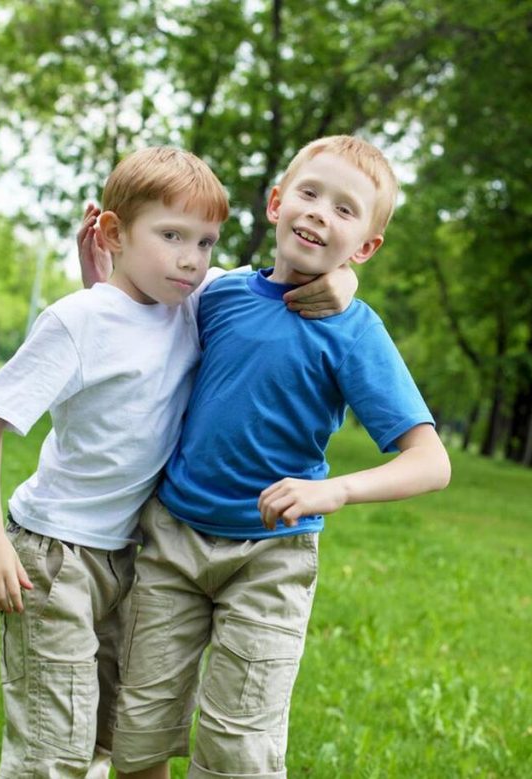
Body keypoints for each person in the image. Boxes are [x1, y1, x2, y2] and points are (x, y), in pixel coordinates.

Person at [0, 146, 356, 779]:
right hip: (54, 553)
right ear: (116, 233)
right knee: (52, 742)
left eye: (205, 242)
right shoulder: (75, 320)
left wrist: (342, 278)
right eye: (172, 236)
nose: (190, 258)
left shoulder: (192, 305)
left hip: (134, 554)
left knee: (113, 731)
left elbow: (269, 282)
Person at [89, 135, 452, 779]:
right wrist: (97, 269)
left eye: (346, 211)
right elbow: (138, 324)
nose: (319, 213)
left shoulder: (354, 331)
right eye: (310, 194)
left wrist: (332, 491)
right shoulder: (218, 293)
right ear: (277, 202)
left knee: (238, 747)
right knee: (139, 733)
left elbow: (430, 462)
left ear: (366, 246)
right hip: (171, 541)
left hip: (271, 557)